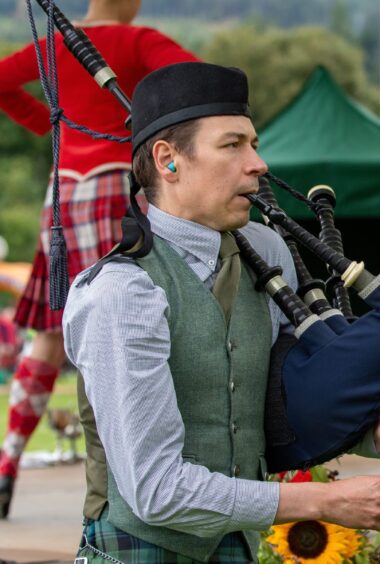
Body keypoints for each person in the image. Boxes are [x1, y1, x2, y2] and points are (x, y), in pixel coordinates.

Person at [62, 61, 380, 561]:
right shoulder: (123, 293)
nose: (258, 164)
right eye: (232, 145)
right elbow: (155, 491)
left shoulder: (266, 251)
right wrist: (327, 500)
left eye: (255, 144)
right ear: (167, 160)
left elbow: (277, 400)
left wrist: (373, 434)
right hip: (138, 549)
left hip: (238, 546)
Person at [0, 0, 199, 518]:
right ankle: (133, 466)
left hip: (63, 193)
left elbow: (1, 80)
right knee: (137, 314)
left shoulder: (52, 43)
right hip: (118, 183)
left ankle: (7, 462)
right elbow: (196, 79)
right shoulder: (138, 42)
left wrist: (52, 128)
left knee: (49, 330)